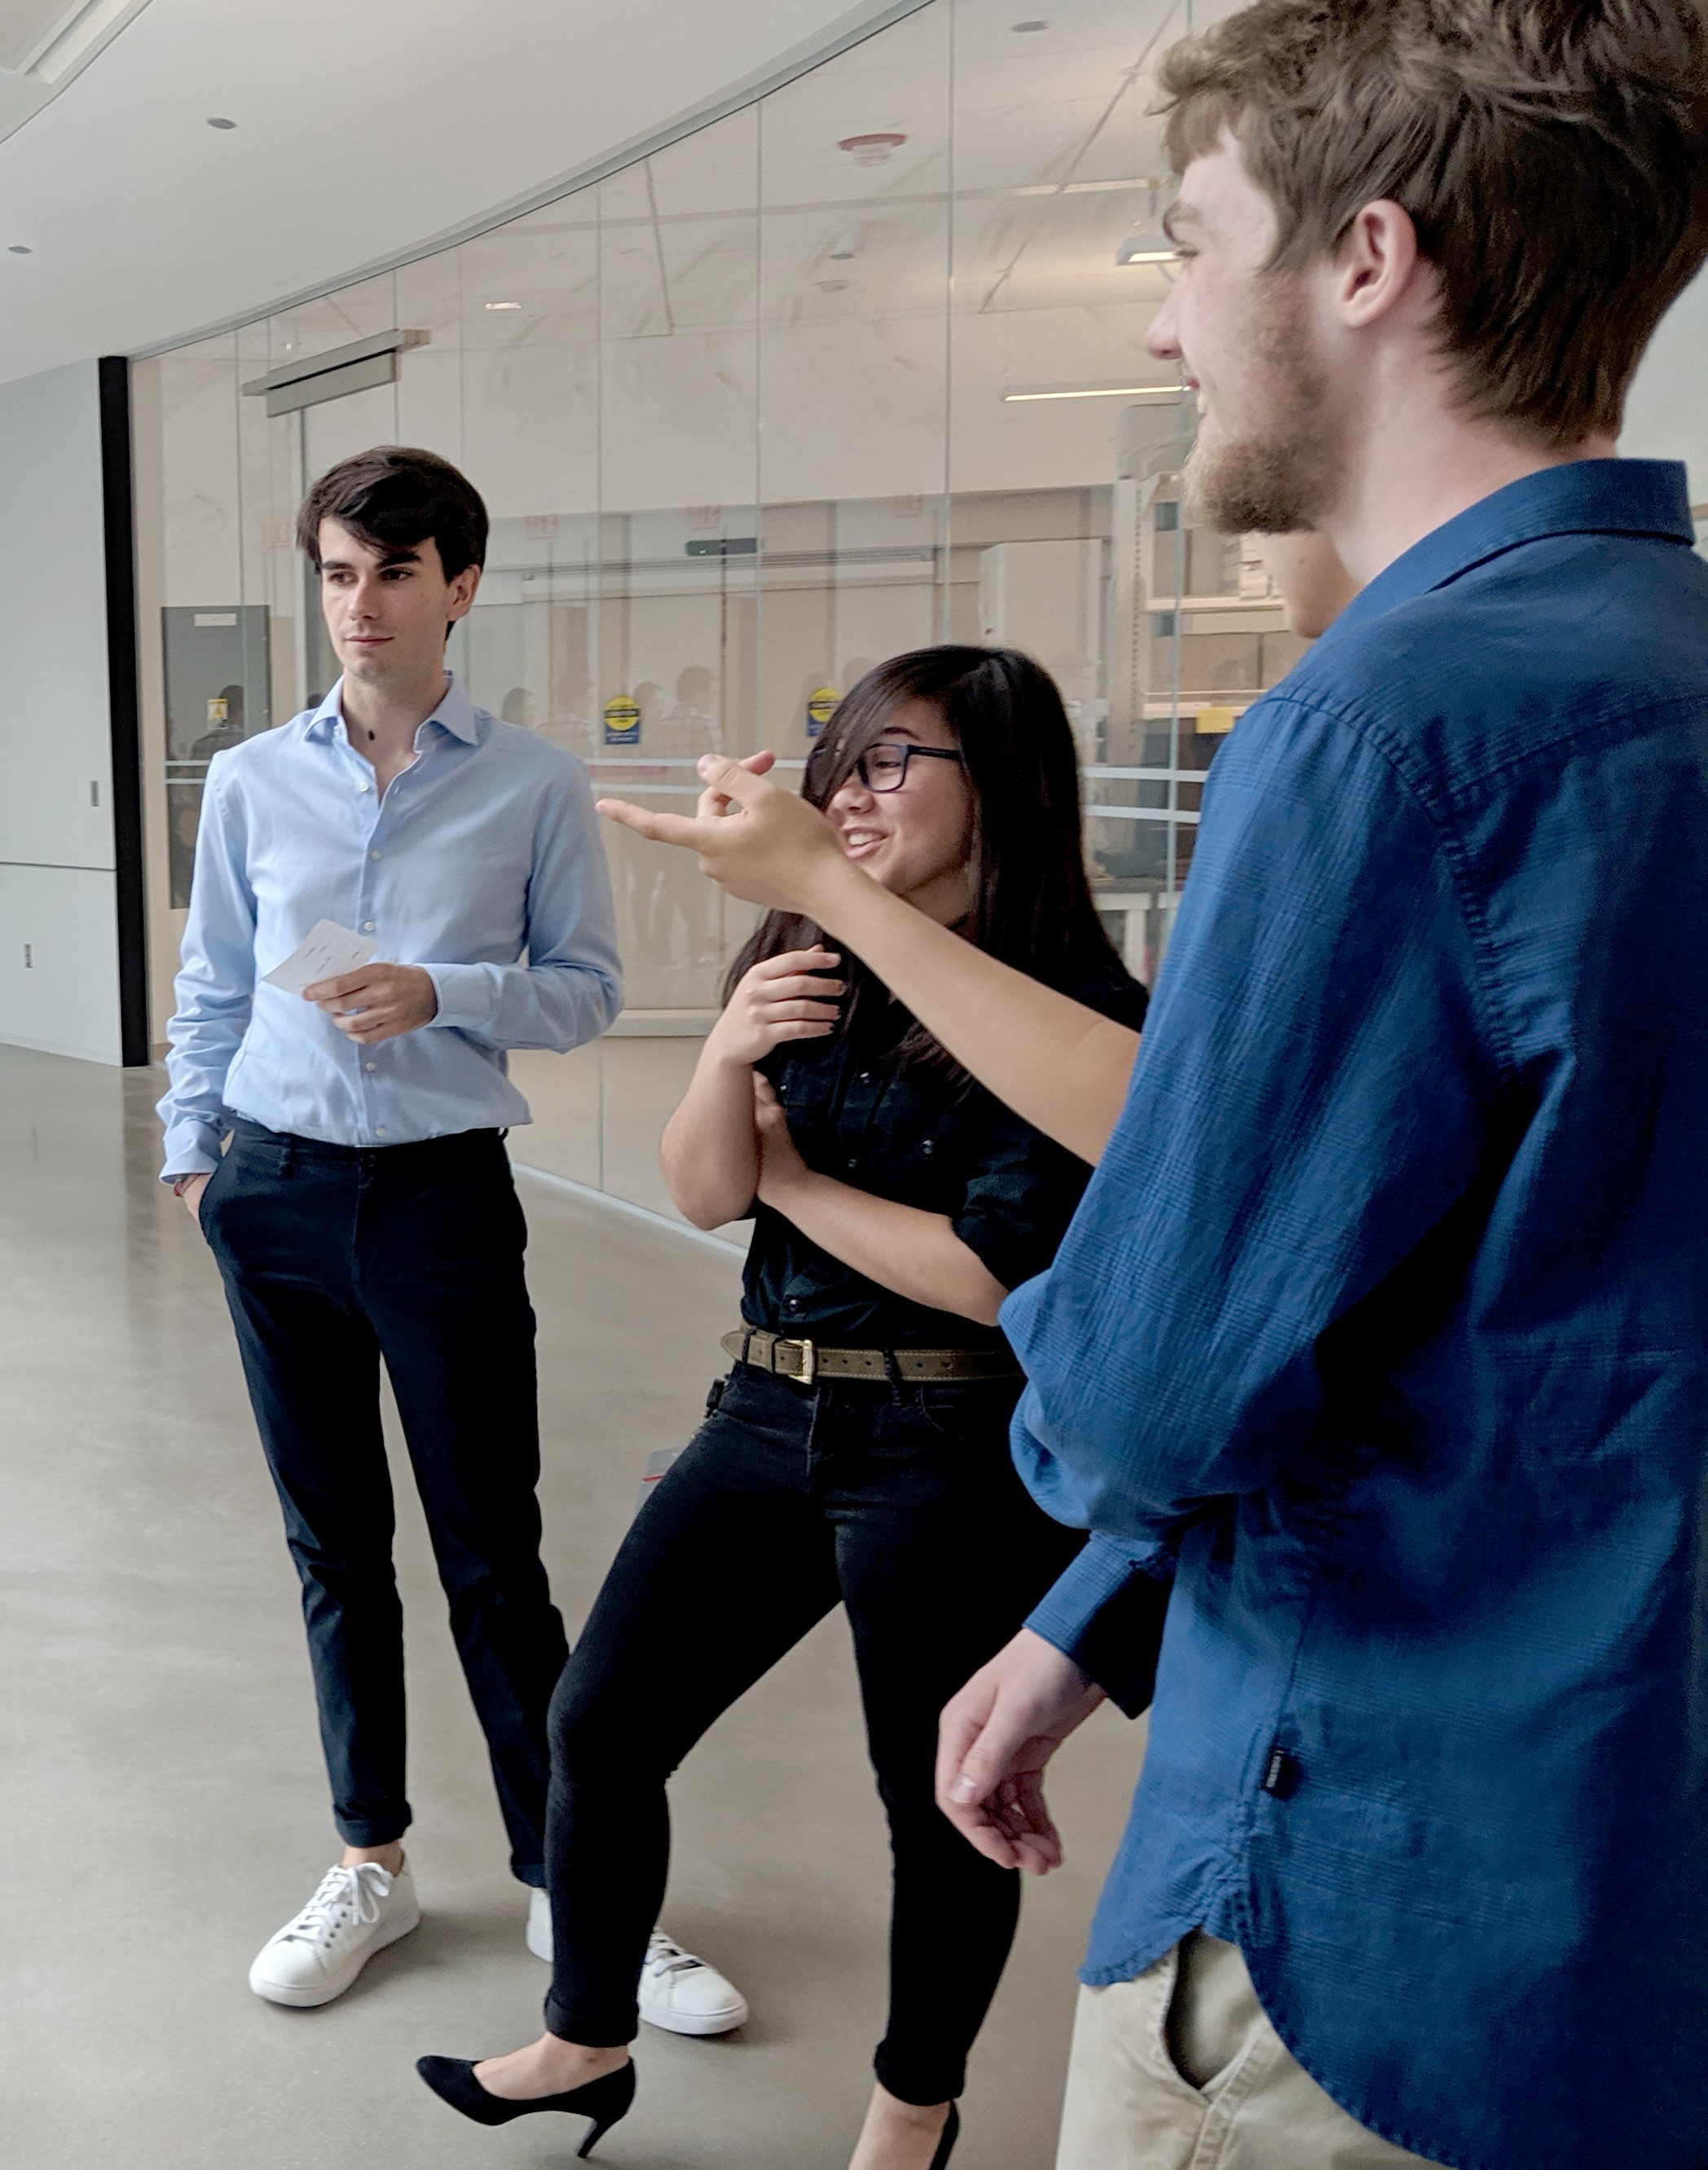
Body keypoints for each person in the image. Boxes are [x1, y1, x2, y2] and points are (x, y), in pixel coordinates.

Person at [601, 1, 1708, 2161]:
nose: (1172, 319)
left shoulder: (1384, 734)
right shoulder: (1663, 673)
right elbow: (1470, 1317)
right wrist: (1092, 1623)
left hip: (1355, 1904)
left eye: (1190, 241)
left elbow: (1143, 1378)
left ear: (1368, 262)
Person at [420, 649, 1145, 2170]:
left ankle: (913, 2107)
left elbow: (991, 1283)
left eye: (898, 764)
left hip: (946, 1446)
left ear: (998, 788)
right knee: (600, 1725)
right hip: (763, 1408)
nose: (851, 794)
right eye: (845, 762)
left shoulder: (1067, 1012)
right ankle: (588, 2035)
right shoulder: (806, 956)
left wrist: (799, 1182)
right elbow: (701, 1191)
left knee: (937, 1798)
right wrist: (728, 1049)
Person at [164, 447, 720, 2019]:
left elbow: (592, 989)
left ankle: (568, 1880)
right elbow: (212, 977)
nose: (359, 604)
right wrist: (192, 1165)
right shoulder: (254, 778)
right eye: (337, 573)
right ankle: (371, 1865)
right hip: (271, 1194)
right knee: (334, 1550)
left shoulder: (531, 781)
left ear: (458, 587)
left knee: (493, 1554)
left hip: (439, 1199)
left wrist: (443, 992)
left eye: (392, 573)